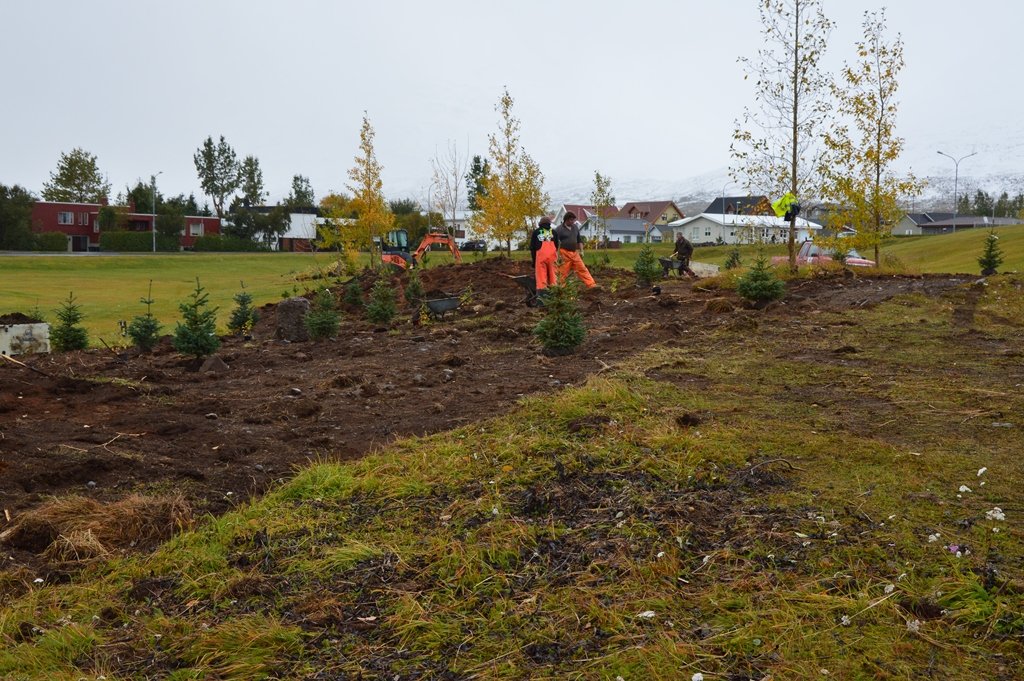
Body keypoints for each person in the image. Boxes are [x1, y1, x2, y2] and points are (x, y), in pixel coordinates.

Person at [554, 212, 597, 289]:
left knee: (582, 269)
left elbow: (579, 240)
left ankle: (591, 285)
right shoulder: (559, 229)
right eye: (571, 220)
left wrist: (582, 251)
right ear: (566, 220)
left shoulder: (575, 227)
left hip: (574, 253)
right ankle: (560, 288)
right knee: (562, 272)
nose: (573, 222)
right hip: (564, 253)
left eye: (574, 220)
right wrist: (557, 255)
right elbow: (554, 243)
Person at [531, 216, 559, 293]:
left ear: (540, 223)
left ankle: (542, 298)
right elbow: (556, 246)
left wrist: (534, 261)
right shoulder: (554, 232)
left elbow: (532, 248)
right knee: (553, 276)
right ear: (549, 223)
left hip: (541, 257)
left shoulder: (536, 232)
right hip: (552, 258)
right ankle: (554, 296)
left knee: (541, 277)